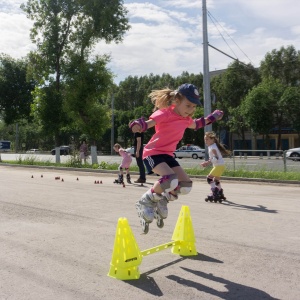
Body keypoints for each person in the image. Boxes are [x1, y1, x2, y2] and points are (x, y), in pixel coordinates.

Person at [129, 83, 224, 233]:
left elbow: (198, 123)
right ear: (177, 101)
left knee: (185, 185)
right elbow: (149, 123)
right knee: (170, 179)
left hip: (167, 155)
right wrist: (139, 125)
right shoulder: (166, 113)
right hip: (153, 153)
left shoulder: (186, 119)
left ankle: (162, 200)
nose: (191, 110)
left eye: (193, 107)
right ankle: (146, 200)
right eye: (188, 106)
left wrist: (212, 117)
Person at [201, 131, 231, 202]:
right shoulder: (212, 146)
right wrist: (208, 161)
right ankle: (220, 192)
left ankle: (214, 192)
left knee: (209, 179)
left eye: (207, 139)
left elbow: (215, 157)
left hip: (218, 166)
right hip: (221, 165)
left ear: (212, 140)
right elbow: (212, 157)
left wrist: (207, 163)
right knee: (216, 180)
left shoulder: (212, 147)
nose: (205, 141)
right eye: (205, 139)